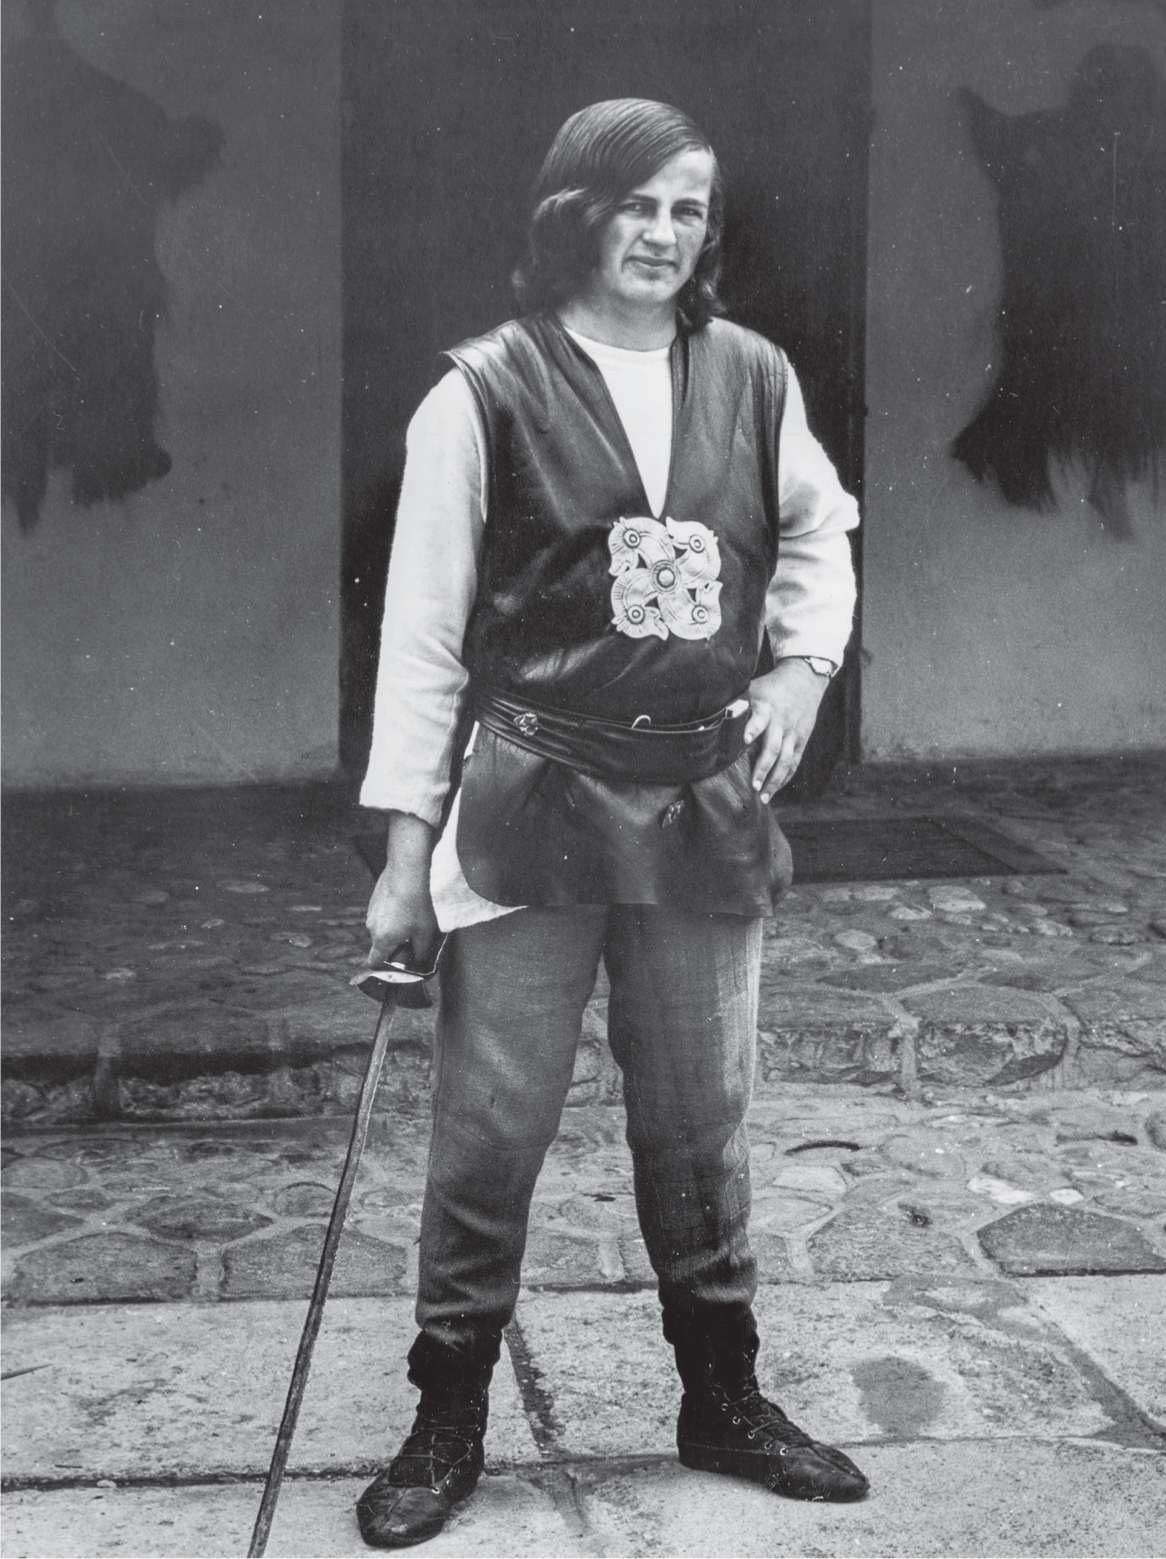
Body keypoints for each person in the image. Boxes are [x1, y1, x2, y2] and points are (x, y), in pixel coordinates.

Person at [356, 97, 864, 1549]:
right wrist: (407, 856)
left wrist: (799, 667)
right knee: (493, 1120)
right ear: (575, 212)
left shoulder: (754, 379)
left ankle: (725, 1394)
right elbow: (422, 636)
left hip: (701, 804)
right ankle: (447, 1407)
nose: (661, 232)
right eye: (635, 203)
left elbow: (822, 530)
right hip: (530, 802)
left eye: (688, 208)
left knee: (702, 1114)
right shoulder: (481, 392)